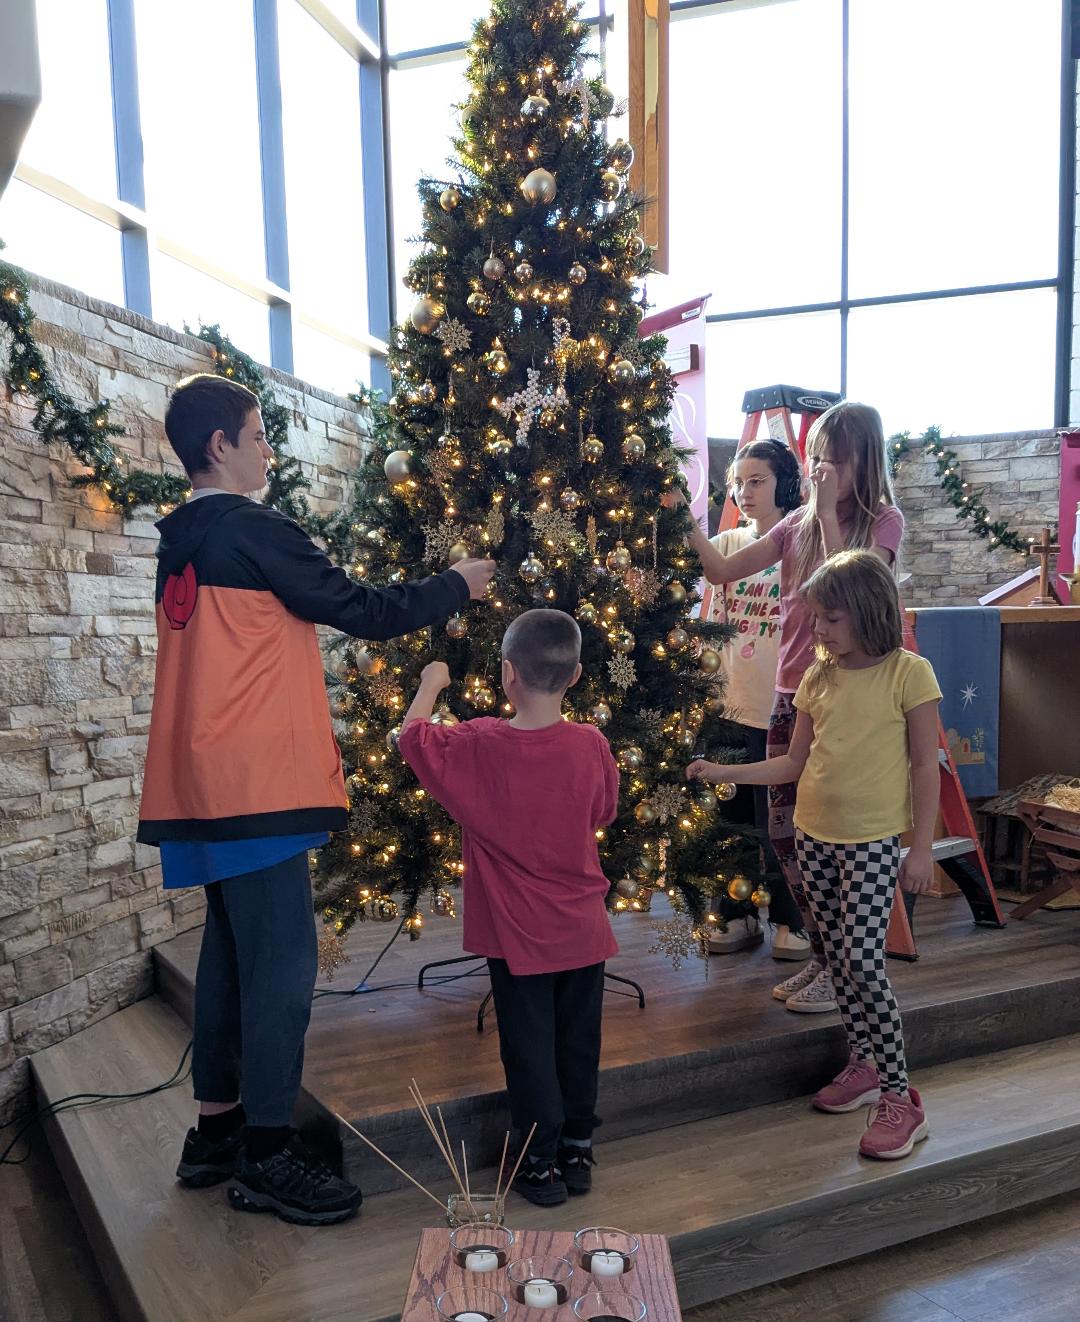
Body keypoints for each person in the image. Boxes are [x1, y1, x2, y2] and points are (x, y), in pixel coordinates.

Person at [137, 373, 494, 1226]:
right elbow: (359, 608)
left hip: (199, 780)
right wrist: (454, 584)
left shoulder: (181, 539)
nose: (268, 449)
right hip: (254, 781)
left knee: (230, 958)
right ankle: (267, 1155)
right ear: (219, 446)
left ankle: (216, 1132)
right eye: (258, 434)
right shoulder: (252, 528)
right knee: (283, 969)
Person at [688, 550, 940, 1160]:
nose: (817, 630)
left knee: (862, 961)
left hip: (873, 842)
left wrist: (921, 849)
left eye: (829, 619)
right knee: (834, 957)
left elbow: (925, 766)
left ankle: (901, 1097)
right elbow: (792, 764)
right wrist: (723, 770)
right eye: (815, 618)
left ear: (867, 612)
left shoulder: (909, 674)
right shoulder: (817, 678)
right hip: (813, 837)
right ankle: (864, 1062)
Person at [665, 401, 903, 1013]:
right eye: (816, 458)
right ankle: (822, 956)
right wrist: (682, 515)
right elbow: (721, 569)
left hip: (849, 697)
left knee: (832, 841)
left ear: (863, 461)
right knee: (786, 837)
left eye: (835, 460)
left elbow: (850, 593)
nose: (822, 470)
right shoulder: (796, 522)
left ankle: (843, 969)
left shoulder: (882, 522)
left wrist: (822, 516)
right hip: (790, 692)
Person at [398, 609, 619, 1207]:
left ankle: (538, 1162)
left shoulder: (479, 743)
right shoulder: (592, 745)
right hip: (583, 928)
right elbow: (603, 812)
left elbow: (412, 739)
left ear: (506, 674)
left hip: (517, 937)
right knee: (579, 1042)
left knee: (529, 1049)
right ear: (575, 676)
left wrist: (431, 683)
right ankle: (577, 1148)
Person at [699, 439, 806, 958]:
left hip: (780, 705)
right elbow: (710, 607)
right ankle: (737, 913)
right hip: (728, 704)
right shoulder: (726, 542)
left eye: (757, 480)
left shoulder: (800, 539)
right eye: (738, 483)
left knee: (779, 823)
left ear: (785, 483)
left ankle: (792, 918)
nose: (745, 492)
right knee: (731, 819)